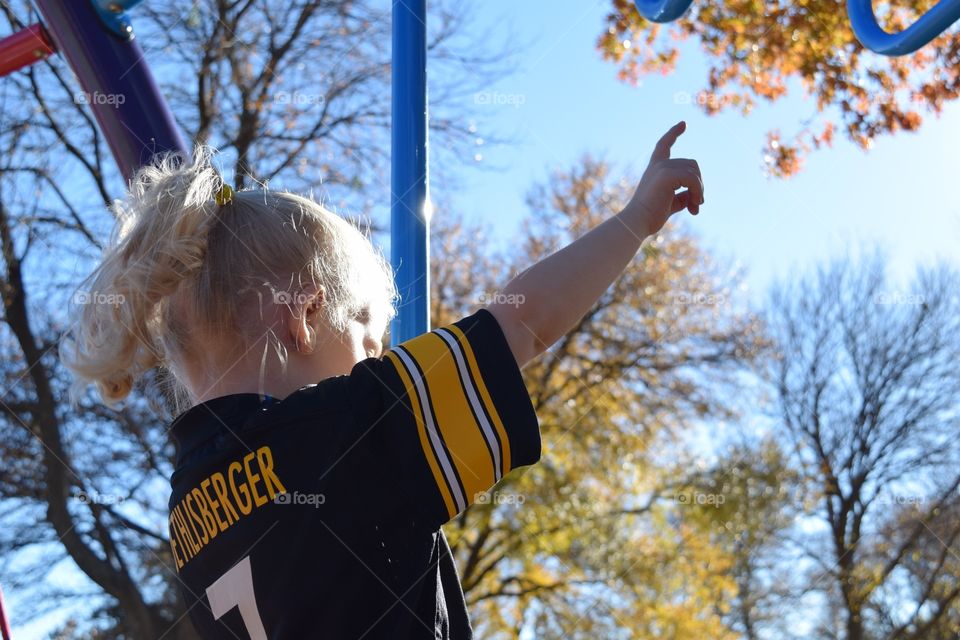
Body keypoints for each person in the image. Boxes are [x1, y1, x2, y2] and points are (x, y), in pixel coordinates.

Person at [60, 121, 703, 639]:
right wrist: (633, 221)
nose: (380, 356)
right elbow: (524, 325)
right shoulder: (341, 429)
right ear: (303, 318)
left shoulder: (188, 510)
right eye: (368, 332)